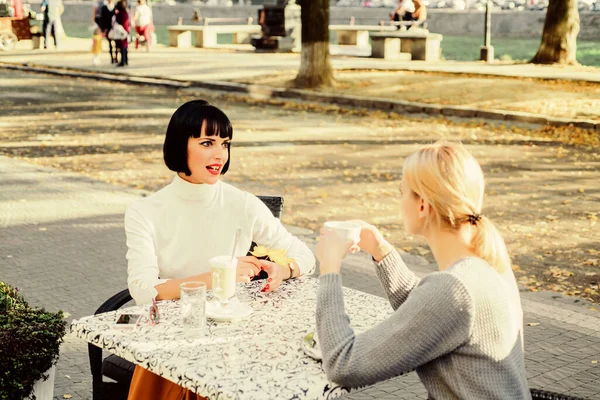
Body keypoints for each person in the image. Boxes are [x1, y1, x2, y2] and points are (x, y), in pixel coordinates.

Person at [125, 100, 315, 399]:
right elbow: (143, 289)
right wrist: (217, 277)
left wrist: (285, 269)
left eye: (225, 144)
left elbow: (305, 255)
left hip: (233, 333)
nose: (219, 154)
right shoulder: (145, 211)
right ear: (179, 146)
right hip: (171, 338)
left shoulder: (242, 203)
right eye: (207, 142)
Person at [315, 141, 530, 399]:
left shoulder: (456, 288)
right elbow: (432, 314)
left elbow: (344, 364)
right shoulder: (490, 262)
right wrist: (380, 250)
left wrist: (329, 268)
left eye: (402, 192)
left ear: (422, 205)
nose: (399, 200)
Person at [114, 0, 130, 67]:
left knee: (122, 46)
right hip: (126, 31)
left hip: (121, 32)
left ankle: (123, 61)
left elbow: (117, 22)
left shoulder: (120, 14)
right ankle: (125, 60)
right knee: (125, 46)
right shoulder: (125, 13)